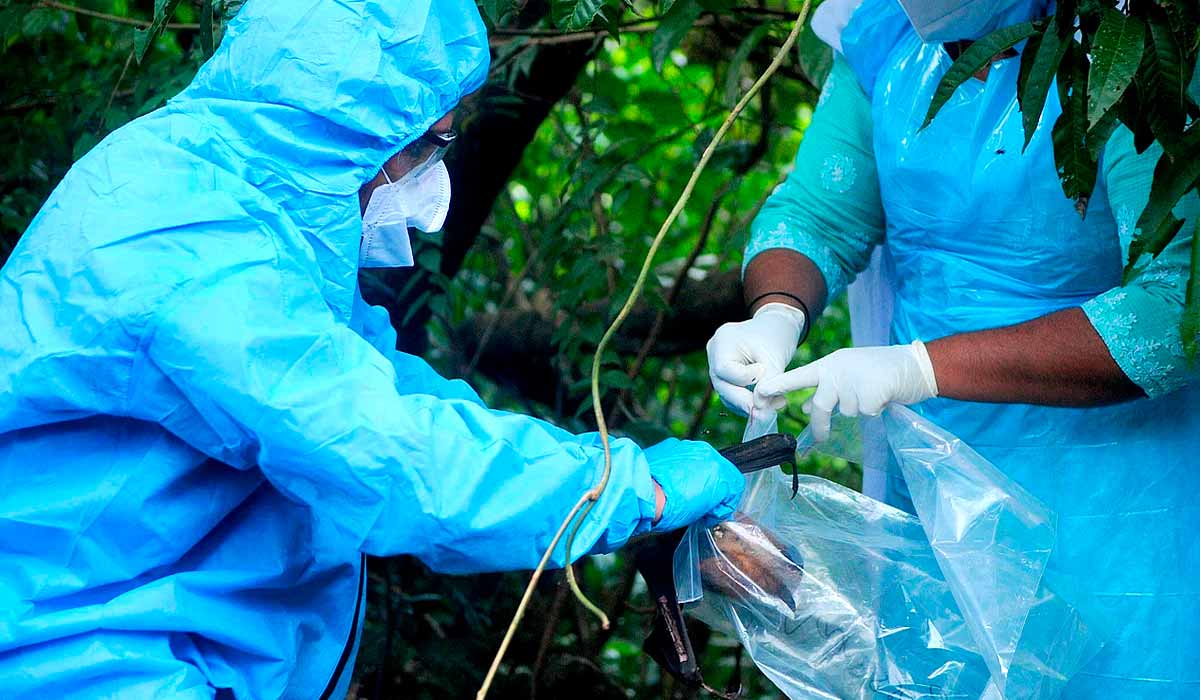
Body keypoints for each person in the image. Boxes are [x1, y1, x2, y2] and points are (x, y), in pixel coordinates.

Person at [0, 1, 745, 697]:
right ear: (339, 121)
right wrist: (628, 493)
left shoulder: (258, 206)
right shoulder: (182, 225)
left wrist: (603, 470)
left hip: (166, 646)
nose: (430, 191)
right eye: (425, 146)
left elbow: (392, 392)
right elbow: (379, 447)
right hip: (83, 658)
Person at [707, 0, 1199, 697]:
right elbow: (818, 211)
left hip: (1112, 487)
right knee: (941, 670)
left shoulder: (1127, 44)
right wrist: (777, 314)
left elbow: (1173, 312)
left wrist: (921, 367)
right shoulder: (883, 36)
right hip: (934, 468)